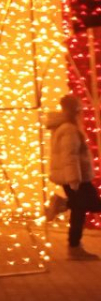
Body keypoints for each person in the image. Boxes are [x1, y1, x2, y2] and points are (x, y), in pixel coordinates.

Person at [47, 94, 101, 261]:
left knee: (80, 208)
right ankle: (62, 204)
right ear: (74, 109)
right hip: (76, 178)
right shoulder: (69, 129)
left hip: (75, 177)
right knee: (92, 205)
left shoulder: (65, 127)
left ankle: (74, 247)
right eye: (79, 107)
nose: (82, 110)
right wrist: (74, 180)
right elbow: (70, 156)